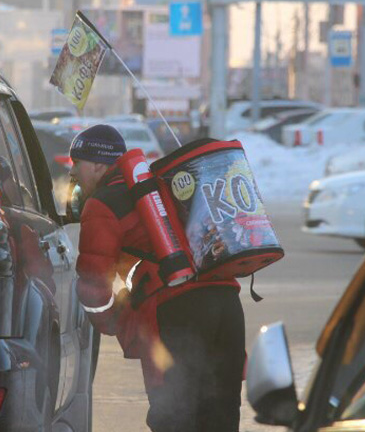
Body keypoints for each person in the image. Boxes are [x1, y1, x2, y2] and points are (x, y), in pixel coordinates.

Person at [69, 124, 246, 432]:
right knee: (221, 414)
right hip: (227, 302)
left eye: (77, 163)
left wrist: (113, 320)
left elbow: (94, 283)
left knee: (174, 415)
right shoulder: (163, 186)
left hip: (178, 310)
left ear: (98, 164)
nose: (73, 174)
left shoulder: (102, 204)